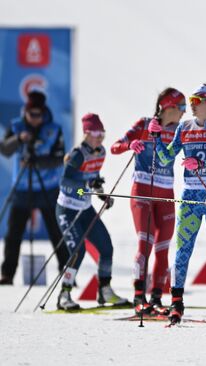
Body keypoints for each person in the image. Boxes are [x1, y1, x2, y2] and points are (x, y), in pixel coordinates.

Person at [148, 84, 206, 325]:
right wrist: (156, 136)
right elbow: (166, 156)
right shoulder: (184, 128)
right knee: (182, 252)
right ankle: (176, 303)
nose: (193, 105)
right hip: (190, 199)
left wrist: (204, 164)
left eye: (198, 100)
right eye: (191, 100)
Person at [111, 88, 185, 315]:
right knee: (145, 243)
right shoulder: (144, 124)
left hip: (165, 194)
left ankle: (155, 298)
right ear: (168, 107)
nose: (184, 112)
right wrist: (130, 145)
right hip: (142, 190)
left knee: (163, 248)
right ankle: (138, 297)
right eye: (181, 107)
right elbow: (115, 147)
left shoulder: (178, 131)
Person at [55, 113, 128, 310]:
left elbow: (94, 179)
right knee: (78, 252)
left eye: (102, 133)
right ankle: (65, 293)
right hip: (67, 209)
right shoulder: (78, 154)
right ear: (86, 133)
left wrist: (101, 194)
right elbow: (65, 183)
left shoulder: (101, 152)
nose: (99, 137)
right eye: (95, 133)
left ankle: (105, 291)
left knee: (106, 248)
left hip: (85, 209)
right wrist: (86, 185)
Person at [0, 91, 69, 285]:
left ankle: (66, 271)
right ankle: (7, 274)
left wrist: (36, 163)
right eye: (31, 114)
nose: (35, 118)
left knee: (56, 231)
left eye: (38, 114)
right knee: (13, 233)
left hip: (48, 187)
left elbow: (59, 158)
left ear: (44, 112)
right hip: (22, 188)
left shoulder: (54, 129)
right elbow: (4, 149)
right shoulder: (16, 126)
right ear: (26, 112)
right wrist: (18, 139)